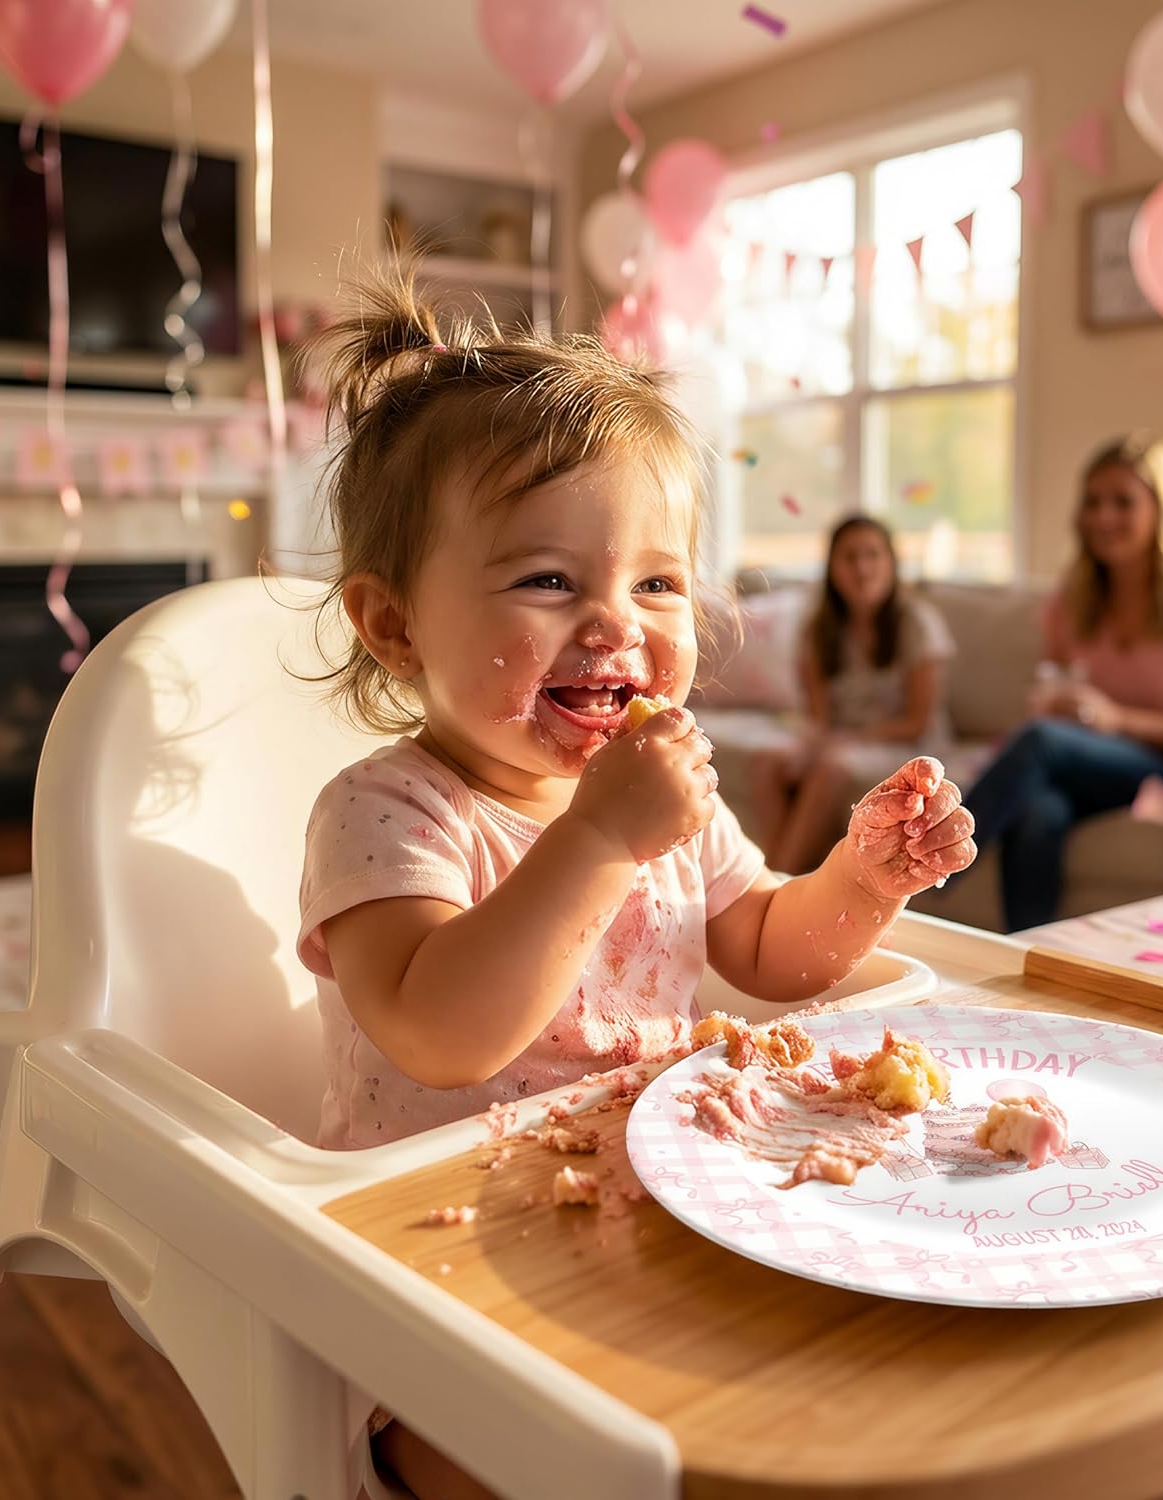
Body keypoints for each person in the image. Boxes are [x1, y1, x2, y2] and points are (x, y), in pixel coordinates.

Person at [294, 278, 977, 1499]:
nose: (616, 623)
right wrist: (599, 840)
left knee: (840, 1387)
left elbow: (768, 950)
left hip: (656, 1203)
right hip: (436, 1278)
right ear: (395, 628)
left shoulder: (663, 794)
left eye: (657, 583)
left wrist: (863, 878)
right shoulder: (387, 813)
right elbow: (443, 1033)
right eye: (548, 582)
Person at [960, 431, 1163, 931]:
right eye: (1093, 502)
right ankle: (1022, 955)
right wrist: (1056, 704)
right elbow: (1053, 686)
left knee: (1040, 742)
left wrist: (1116, 719)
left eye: (1123, 502)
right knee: (1038, 811)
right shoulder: (1075, 597)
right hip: (1082, 764)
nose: (1103, 518)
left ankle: (924, 869)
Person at [763, 515, 955, 874]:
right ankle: (788, 874)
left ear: (891, 563)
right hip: (843, 739)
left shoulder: (916, 623)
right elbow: (819, 717)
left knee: (832, 767)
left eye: (872, 555)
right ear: (832, 568)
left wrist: (848, 741)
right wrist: (811, 746)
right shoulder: (818, 630)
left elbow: (916, 722)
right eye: (849, 557)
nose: (862, 568)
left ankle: (780, 878)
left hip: (907, 743)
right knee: (776, 765)